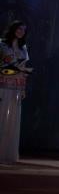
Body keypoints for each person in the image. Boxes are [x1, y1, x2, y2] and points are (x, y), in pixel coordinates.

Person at [0, 20, 31, 163]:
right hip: (2, 83)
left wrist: (23, 87)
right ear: (13, 29)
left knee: (13, 119)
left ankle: (7, 153)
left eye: (23, 30)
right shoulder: (2, 44)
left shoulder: (23, 48)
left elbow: (24, 69)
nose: (21, 32)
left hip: (16, 86)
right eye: (19, 29)